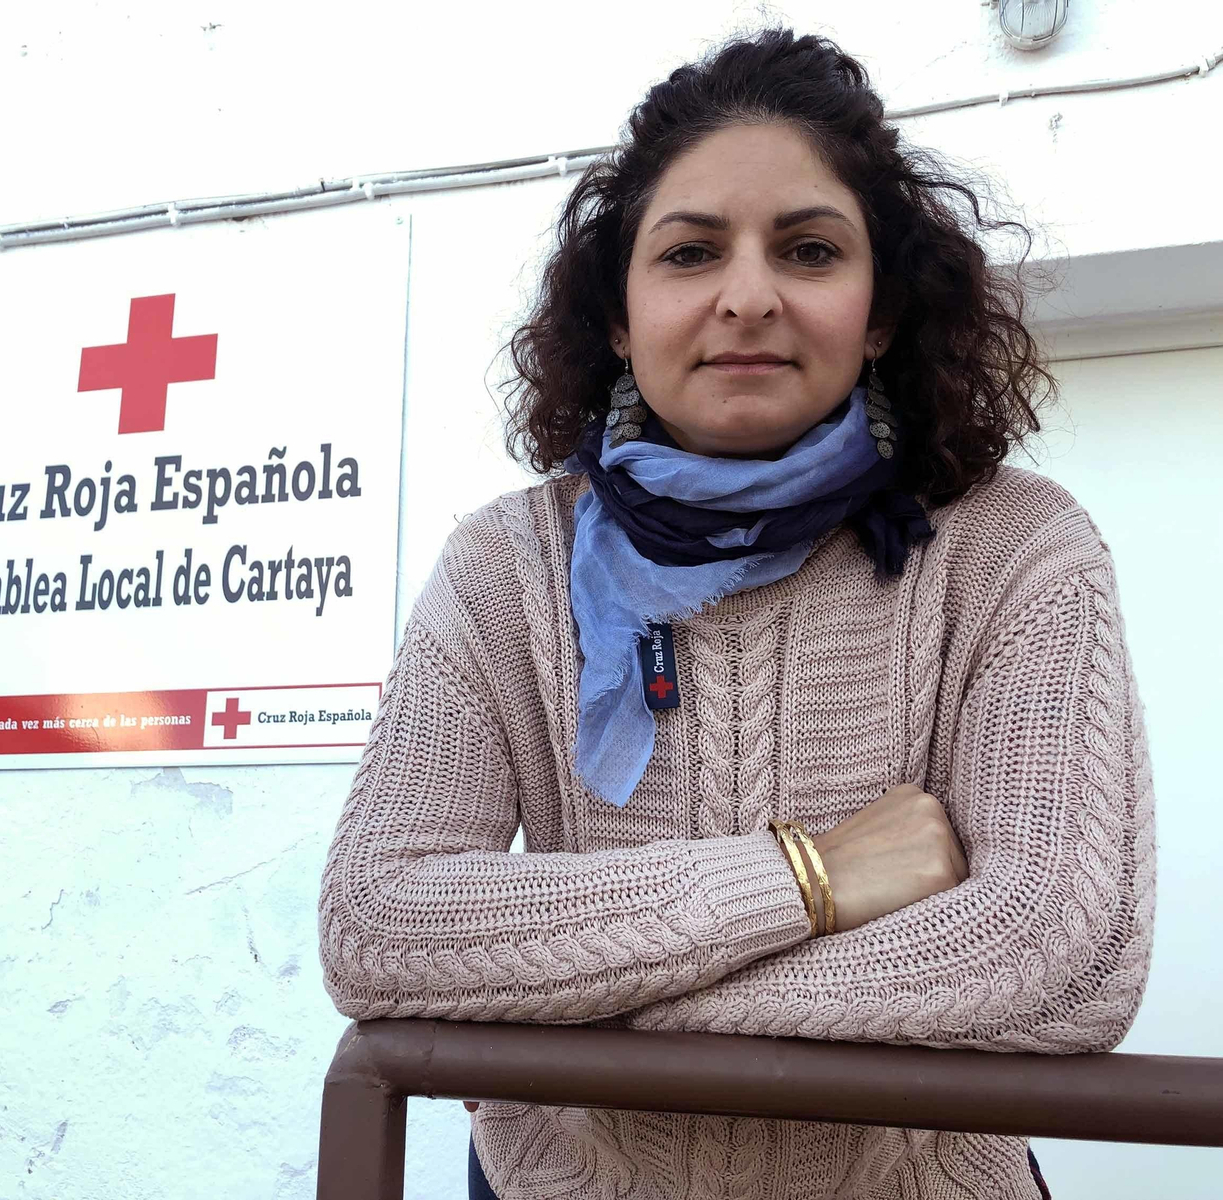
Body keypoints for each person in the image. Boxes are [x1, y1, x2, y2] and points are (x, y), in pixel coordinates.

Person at [318, 27, 1154, 1200]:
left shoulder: (1017, 549)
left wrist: (560, 1004)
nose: (747, 297)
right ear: (617, 312)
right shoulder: (505, 563)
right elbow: (378, 921)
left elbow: (1062, 957)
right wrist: (807, 878)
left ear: (877, 313)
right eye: (690, 252)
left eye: (809, 251)